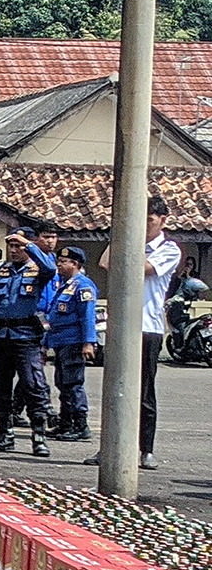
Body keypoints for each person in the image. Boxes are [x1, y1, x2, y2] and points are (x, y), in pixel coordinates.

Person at [88, 194, 180, 470]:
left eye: (149, 220)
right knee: (113, 389)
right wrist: (122, 231)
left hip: (147, 327)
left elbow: (140, 268)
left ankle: (145, 449)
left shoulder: (168, 249)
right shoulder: (129, 241)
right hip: (120, 326)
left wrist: (132, 242)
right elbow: (105, 263)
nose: (144, 225)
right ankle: (109, 447)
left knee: (143, 392)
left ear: (163, 221)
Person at [0, 226, 55, 457]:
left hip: (25, 336)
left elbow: (50, 269)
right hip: (1, 335)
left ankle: (39, 437)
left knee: (34, 386)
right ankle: (5, 434)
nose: (14, 250)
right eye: (11, 246)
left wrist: (30, 246)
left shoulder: (37, 269)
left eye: (18, 246)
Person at [10, 221, 60, 431]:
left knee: (32, 369)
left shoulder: (56, 262)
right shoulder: (29, 264)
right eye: (45, 236)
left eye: (53, 236)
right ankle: (45, 408)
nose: (50, 240)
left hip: (49, 321)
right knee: (33, 368)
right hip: (30, 322)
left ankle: (15, 409)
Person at [44, 247, 98, 442]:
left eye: (63, 262)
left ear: (75, 264)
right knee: (62, 383)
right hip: (61, 341)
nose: (59, 264)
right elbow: (54, 316)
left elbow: (87, 316)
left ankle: (80, 424)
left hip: (74, 341)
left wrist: (88, 343)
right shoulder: (66, 285)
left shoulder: (83, 286)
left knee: (73, 384)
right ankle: (65, 423)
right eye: (58, 261)